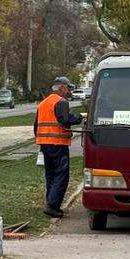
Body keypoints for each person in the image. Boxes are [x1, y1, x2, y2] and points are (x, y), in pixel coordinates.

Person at [35, 76, 83, 218]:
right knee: (61, 174)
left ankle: (50, 202)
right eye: (68, 88)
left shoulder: (43, 103)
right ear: (61, 87)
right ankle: (52, 206)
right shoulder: (60, 102)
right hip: (58, 143)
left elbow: (35, 125)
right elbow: (65, 119)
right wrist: (79, 117)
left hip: (45, 143)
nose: (68, 91)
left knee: (51, 174)